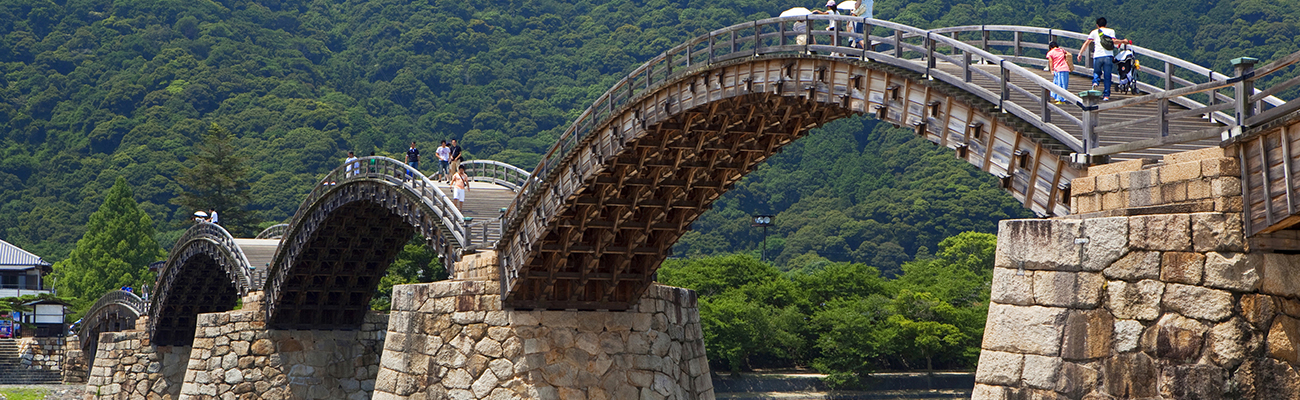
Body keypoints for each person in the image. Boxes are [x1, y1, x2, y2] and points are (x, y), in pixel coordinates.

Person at [1076, 17, 1132, 101]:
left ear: (1097, 25)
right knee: (1107, 76)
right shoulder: (1111, 31)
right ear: (1106, 24)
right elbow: (1114, 41)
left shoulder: (1094, 32)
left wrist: (1080, 53)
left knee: (1097, 72)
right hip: (1108, 56)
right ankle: (1106, 95)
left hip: (1097, 56)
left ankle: (1095, 82)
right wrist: (1123, 41)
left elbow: (1086, 43)